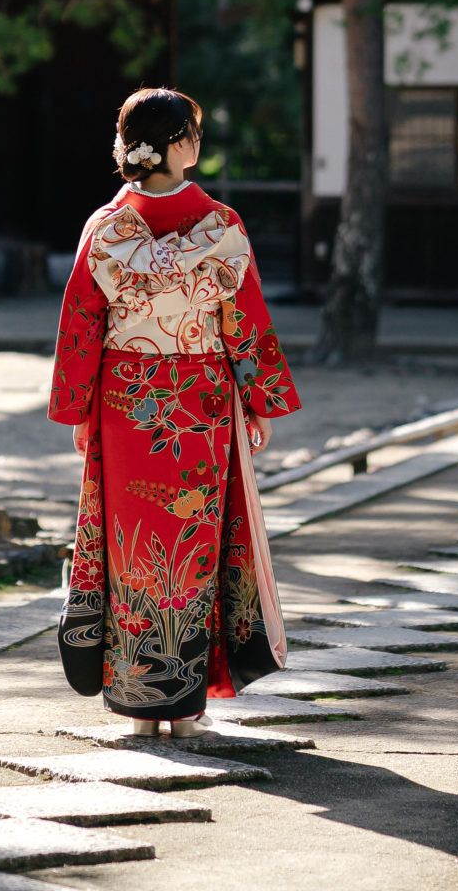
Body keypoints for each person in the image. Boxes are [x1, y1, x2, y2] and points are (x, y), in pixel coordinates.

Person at [49, 86, 301, 735]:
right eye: (193, 132)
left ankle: (138, 702)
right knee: (192, 546)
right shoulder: (220, 228)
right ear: (178, 145)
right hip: (198, 402)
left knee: (133, 549)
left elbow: (81, 322)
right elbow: (243, 320)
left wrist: (79, 408)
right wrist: (258, 399)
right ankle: (185, 707)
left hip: (127, 403)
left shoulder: (105, 230)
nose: (199, 143)